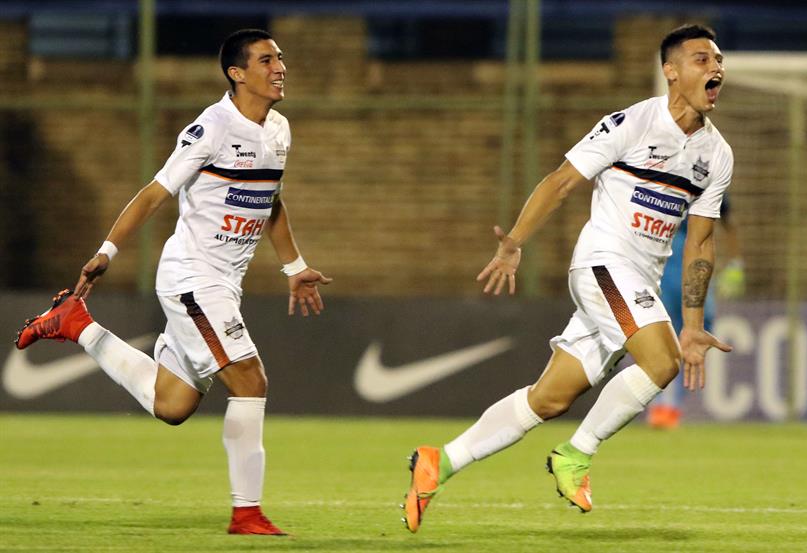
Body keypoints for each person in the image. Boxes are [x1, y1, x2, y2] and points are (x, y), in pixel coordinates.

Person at [402, 24, 733, 533]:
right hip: (604, 265)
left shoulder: (717, 154)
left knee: (549, 399)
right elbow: (560, 183)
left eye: (718, 59)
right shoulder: (631, 123)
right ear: (670, 71)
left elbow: (701, 244)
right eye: (701, 59)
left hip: (637, 282)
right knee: (661, 361)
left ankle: (438, 462)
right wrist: (514, 242)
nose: (716, 68)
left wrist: (692, 323)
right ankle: (577, 453)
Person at [15, 29, 331, 536]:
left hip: (224, 283)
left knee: (173, 405)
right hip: (193, 278)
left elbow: (270, 202)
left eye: (280, 58)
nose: (280, 68)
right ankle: (247, 514)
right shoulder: (211, 128)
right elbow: (154, 193)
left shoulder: (278, 129)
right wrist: (106, 251)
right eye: (266, 60)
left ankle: (76, 325)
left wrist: (294, 268)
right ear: (237, 73)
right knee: (250, 380)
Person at [647, 194, 744, 428]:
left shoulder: (710, 185)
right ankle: (659, 404)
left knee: (700, 327)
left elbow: (729, 223)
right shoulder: (660, 183)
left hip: (695, 265)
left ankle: (673, 405)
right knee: (661, 332)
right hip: (663, 265)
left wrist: (736, 264)